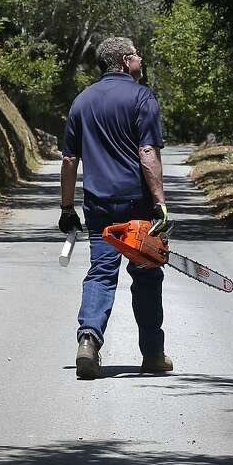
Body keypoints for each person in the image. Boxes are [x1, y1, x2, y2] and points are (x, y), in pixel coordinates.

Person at [58, 36, 174, 380]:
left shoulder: (82, 101)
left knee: (101, 272)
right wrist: (161, 204)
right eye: (136, 54)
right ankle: (153, 354)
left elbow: (68, 159)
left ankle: (89, 341)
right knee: (148, 273)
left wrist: (67, 208)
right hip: (137, 204)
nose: (141, 58)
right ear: (125, 61)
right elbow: (148, 153)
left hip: (99, 205)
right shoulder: (142, 97)